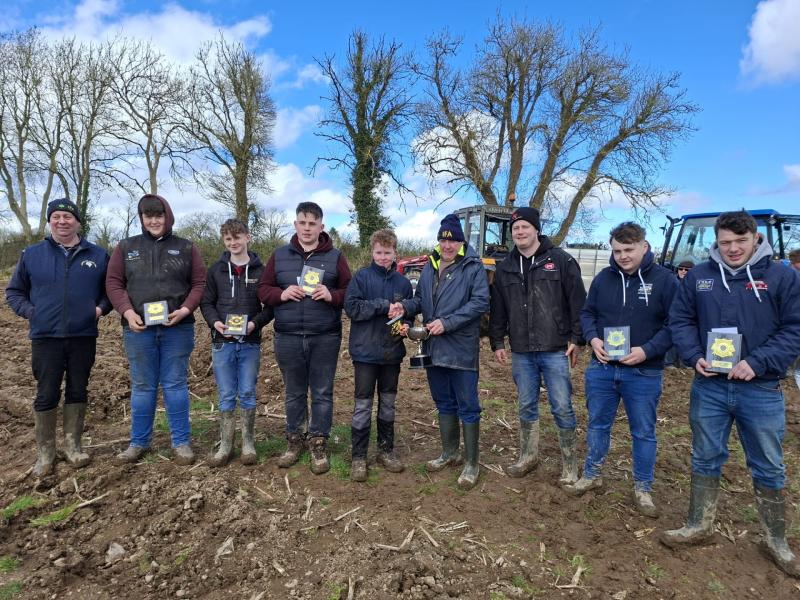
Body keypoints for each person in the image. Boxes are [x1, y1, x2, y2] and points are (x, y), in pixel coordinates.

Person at [662, 211, 800, 577]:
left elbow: (795, 328)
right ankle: (699, 525)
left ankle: (775, 540)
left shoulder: (782, 276)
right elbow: (681, 320)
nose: (733, 249)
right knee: (705, 456)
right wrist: (693, 356)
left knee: (768, 464)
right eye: (725, 242)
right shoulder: (700, 277)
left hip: (760, 387)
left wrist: (758, 361)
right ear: (716, 241)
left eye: (740, 241)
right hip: (709, 385)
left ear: (756, 238)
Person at [566, 222, 678, 518]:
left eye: (629, 249)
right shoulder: (604, 278)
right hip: (602, 368)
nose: (623, 256)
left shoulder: (666, 281)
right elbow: (588, 313)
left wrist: (647, 351)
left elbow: (675, 325)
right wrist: (592, 339)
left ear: (645, 246)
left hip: (644, 372)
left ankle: (643, 487)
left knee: (643, 432)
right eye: (617, 250)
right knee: (597, 424)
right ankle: (592, 474)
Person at [6, 199, 111, 476]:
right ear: (50, 221)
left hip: (83, 336)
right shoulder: (32, 254)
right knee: (47, 392)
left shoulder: (98, 255)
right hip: (45, 337)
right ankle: (46, 453)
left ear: (78, 222)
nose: (62, 221)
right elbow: (15, 291)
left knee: (78, 389)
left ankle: (73, 447)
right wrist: (32, 312)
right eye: (56, 217)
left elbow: (111, 290)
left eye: (68, 217)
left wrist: (99, 308)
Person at [390, 214, 490, 490]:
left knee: (468, 405)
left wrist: (448, 323)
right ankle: (450, 452)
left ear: (461, 241)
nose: (447, 246)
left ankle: (471, 463)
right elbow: (421, 300)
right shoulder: (429, 268)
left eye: (453, 240)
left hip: (460, 348)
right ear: (439, 241)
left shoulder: (473, 267)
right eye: (443, 240)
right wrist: (406, 308)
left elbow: (480, 302)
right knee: (444, 402)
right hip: (434, 347)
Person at [106, 194, 206, 465]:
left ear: (168, 216)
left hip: (177, 328)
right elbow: (114, 283)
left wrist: (185, 310)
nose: (153, 220)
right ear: (141, 219)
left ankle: (181, 441)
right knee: (142, 386)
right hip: (139, 330)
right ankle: (138, 442)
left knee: (175, 385)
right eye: (148, 216)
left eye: (158, 215)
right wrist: (127, 312)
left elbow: (199, 284)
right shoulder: (126, 247)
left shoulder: (186, 247)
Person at [488, 207, 586, 483]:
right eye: (515, 228)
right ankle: (528, 455)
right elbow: (499, 309)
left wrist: (577, 339)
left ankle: (570, 464)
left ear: (536, 229)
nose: (519, 232)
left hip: (555, 348)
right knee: (526, 404)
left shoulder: (561, 261)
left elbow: (578, 303)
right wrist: (497, 341)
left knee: (562, 406)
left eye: (524, 227)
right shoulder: (505, 266)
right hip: (521, 349)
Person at [257, 201, 352, 475]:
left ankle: (318, 441)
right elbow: (263, 290)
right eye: (302, 222)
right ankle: (295, 439)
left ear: (321, 226)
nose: (307, 228)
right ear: (295, 224)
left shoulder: (336, 257)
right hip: (287, 336)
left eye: (313, 223)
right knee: (294, 393)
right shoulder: (279, 256)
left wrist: (332, 295)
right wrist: (282, 294)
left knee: (322, 392)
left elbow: (350, 291)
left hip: (325, 336)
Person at [200, 219, 273, 467]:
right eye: (228, 239)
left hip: (250, 342)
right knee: (227, 394)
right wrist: (215, 323)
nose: (233, 242)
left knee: (248, 392)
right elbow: (206, 303)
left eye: (238, 237)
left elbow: (270, 307)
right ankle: (226, 445)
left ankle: (249, 443)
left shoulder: (262, 271)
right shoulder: (216, 271)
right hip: (222, 342)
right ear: (224, 241)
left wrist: (255, 323)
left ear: (248, 237)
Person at [344, 229, 414, 482]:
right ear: (372, 252)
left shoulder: (403, 283)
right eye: (378, 252)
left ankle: (386, 451)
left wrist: (404, 321)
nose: (383, 257)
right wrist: (383, 305)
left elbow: (410, 311)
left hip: (392, 353)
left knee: (388, 404)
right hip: (365, 353)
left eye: (387, 252)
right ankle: (359, 456)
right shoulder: (361, 278)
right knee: (362, 405)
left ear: (395, 252)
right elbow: (352, 307)